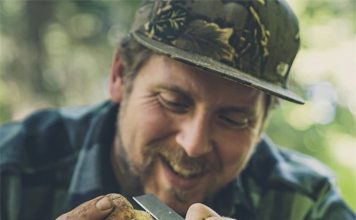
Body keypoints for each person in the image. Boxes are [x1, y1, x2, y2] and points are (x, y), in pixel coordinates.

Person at [0, 0, 354, 219]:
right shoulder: (11, 169)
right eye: (173, 101)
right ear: (121, 75)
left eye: (233, 119)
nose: (194, 144)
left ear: (262, 125)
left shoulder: (306, 204)